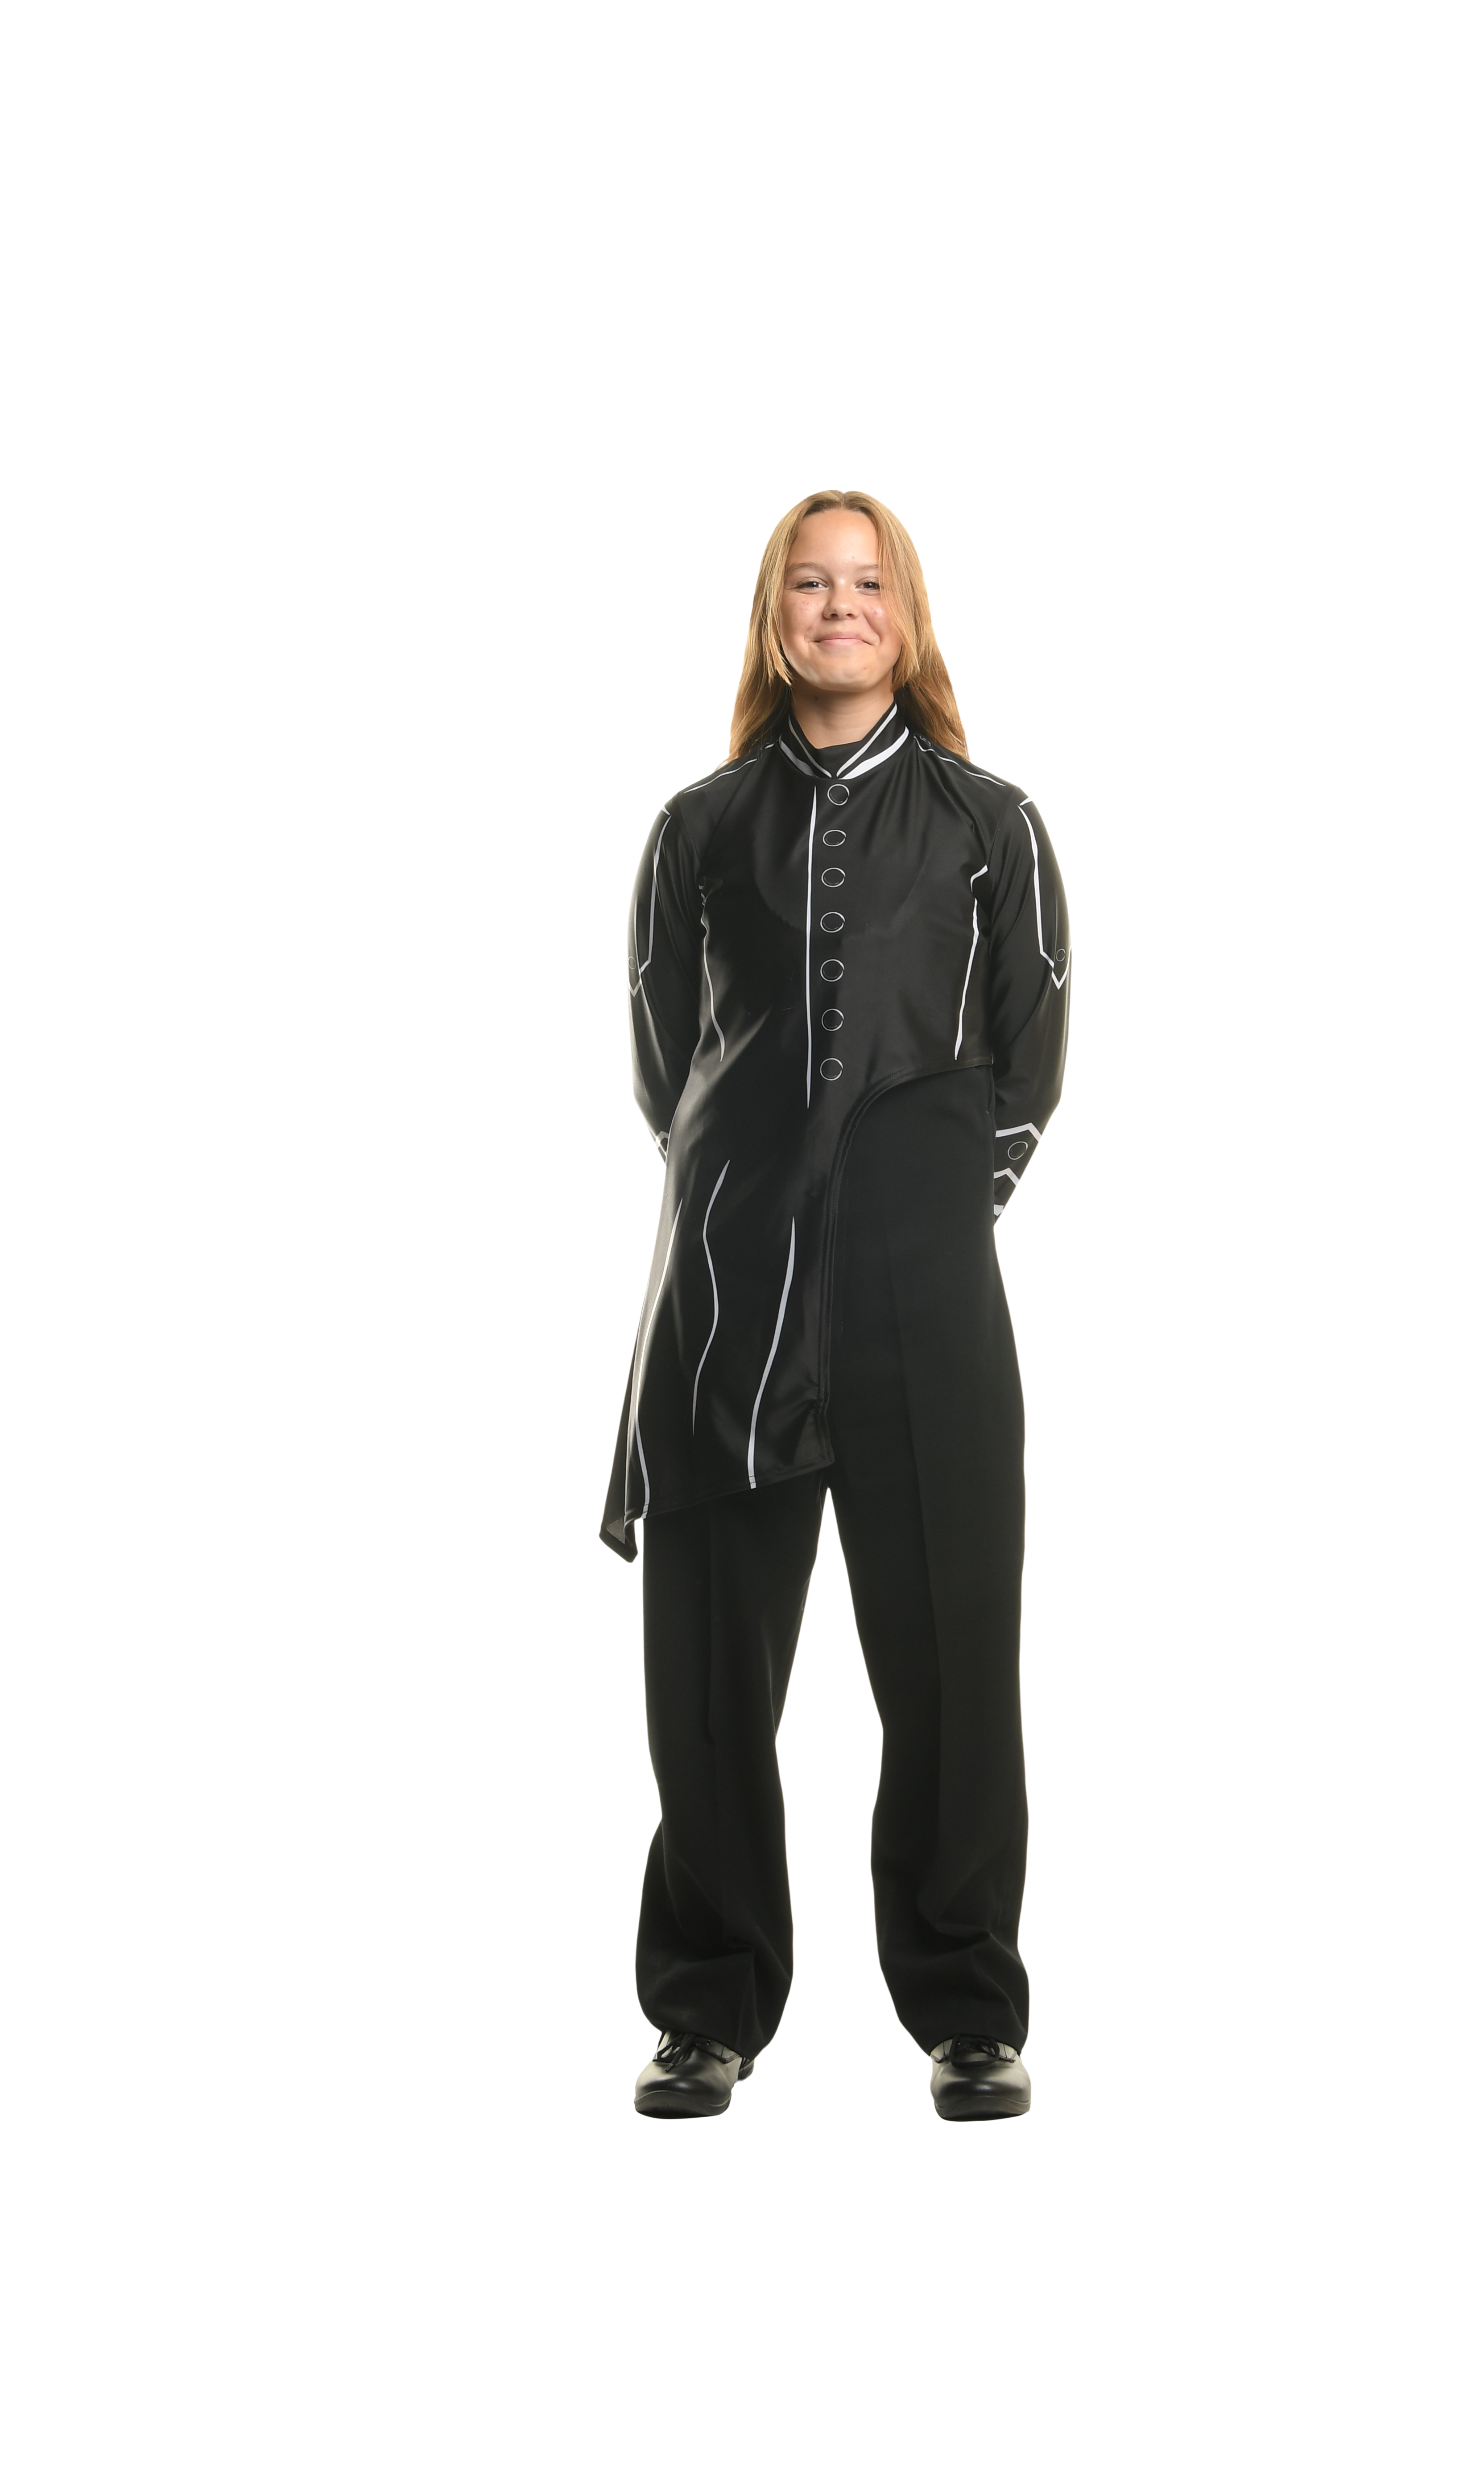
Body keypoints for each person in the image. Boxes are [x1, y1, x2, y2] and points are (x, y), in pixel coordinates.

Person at [601, 488, 1070, 2120]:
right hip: (732, 1289)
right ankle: (709, 2009)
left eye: (869, 581)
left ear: (909, 613)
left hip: (923, 1288)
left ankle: (969, 2009)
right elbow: (670, 1067)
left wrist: (921, 1219)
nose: (840, 605)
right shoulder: (698, 829)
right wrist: (762, 1207)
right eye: (810, 582)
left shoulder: (992, 824)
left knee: (952, 1654)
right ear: (770, 613)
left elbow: (1027, 1059)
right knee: (711, 1668)